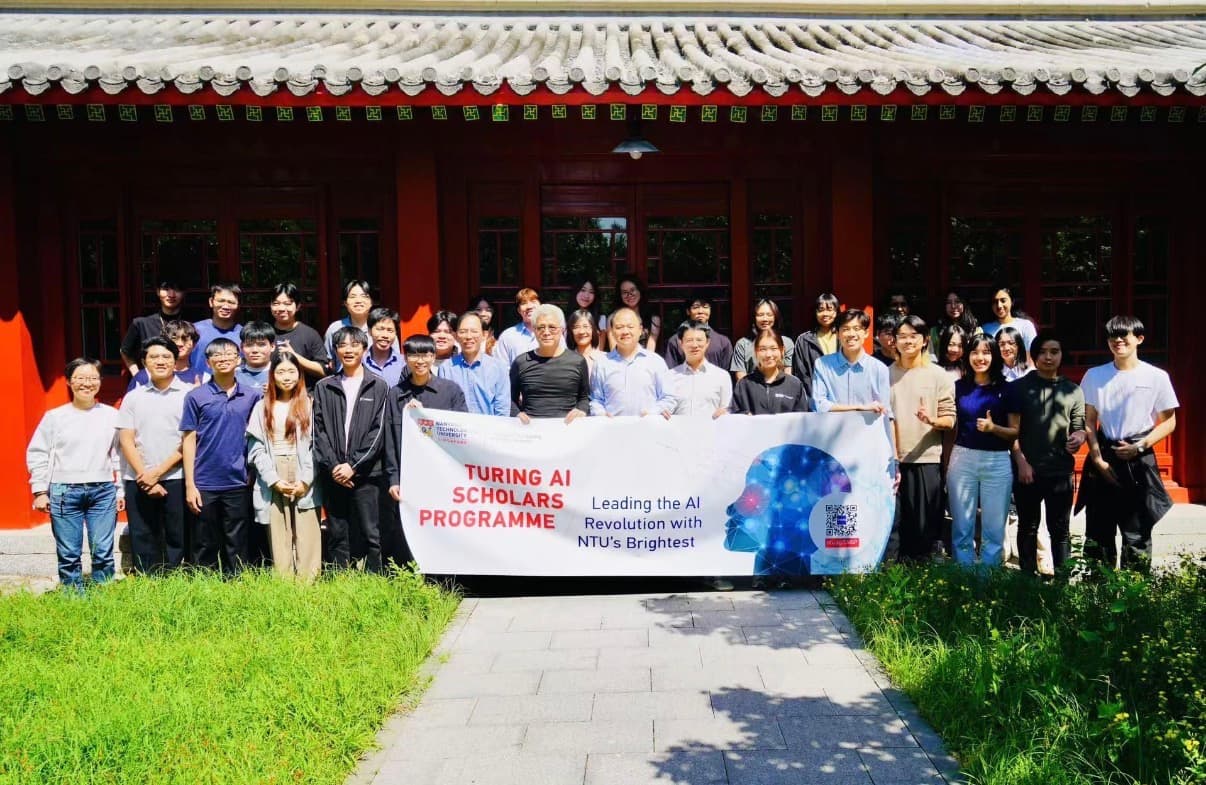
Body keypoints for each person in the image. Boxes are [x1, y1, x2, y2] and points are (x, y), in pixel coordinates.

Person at [1077, 315, 1179, 572]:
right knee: (1098, 532)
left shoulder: (1156, 376)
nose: (1118, 341)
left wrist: (1140, 447)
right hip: (1104, 454)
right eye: (1113, 336)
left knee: (1137, 533)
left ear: (1139, 339)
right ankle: (1097, 595)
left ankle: (1135, 596)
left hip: (1138, 455)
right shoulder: (1094, 375)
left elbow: (1169, 422)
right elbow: (1088, 420)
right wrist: (1098, 458)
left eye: (1124, 335)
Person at [26, 358, 124, 590]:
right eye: (80, 378)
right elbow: (37, 452)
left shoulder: (111, 415)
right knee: (69, 552)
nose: (86, 384)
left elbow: (119, 455)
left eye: (92, 378)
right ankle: (73, 596)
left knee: (102, 549)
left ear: (100, 382)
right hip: (63, 490)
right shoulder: (55, 417)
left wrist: (120, 489)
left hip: (102, 490)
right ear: (69, 382)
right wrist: (40, 490)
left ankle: (104, 592)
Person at [312, 326, 394, 573]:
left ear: (364, 349)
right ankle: (340, 580)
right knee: (338, 531)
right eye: (342, 346)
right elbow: (319, 431)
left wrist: (353, 466)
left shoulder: (379, 386)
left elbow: (378, 432)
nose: (348, 350)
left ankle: (373, 581)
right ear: (335, 350)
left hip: (367, 473)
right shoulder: (324, 386)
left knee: (371, 532)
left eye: (354, 345)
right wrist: (335, 466)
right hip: (334, 472)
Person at [386, 334, 469, 566]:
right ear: (405, 357)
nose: (419, 360)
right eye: (413, 354)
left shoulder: (450, 391)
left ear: (434, 356)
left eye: (425, 354)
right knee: (410, 531)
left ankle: (446, 574)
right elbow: (390, 440)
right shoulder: (396, 394)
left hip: (443, 476)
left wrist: (426, 419)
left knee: (443, 527)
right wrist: (393, 479)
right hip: (409, 476)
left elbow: (462, 433)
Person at [181, 338, 261, 575]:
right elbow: (188, 440)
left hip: (239, 479)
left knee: (237, 539)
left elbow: (258, 438)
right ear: (207, 362)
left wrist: (253, 473)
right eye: (217, 355)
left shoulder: (252, 396)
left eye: (229, 354)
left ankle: (236, 584)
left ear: (239, 359)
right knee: (204, 540)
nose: (223, 358)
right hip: (205, 480)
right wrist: (190, 484)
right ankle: (204, 584)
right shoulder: (196, 397)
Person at [1011, 331, 1086, 577]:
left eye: (1054, 351)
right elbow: (1013, 432)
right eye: (1042, 352)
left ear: (1062, 355)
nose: (1048, 357)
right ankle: (1027, 581)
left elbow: (1079, 427)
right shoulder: (1019, 388)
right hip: (1027, 470)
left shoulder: (1073, 390)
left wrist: (1079, 437)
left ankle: (1063, 585)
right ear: (1033, 356)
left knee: (1060, 530)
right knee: (1028, 526)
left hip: (1060, 470)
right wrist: (1021, 463)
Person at [246, 350, 322, 581]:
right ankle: (284, 582)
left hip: (303, 470)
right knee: (279, 531)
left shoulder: (310, 404)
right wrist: (273, 479)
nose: (287, 376)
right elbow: (256, 447)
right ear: (272, 375)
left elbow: (317, 446)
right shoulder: (262, 407)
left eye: (292, 371)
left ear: (300, 374)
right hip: (274, 470)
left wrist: (306, 480)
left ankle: (308, 583)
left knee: (307, 529)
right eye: (281, 371)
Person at [945, 334, 1018, 568]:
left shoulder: (1007, 389)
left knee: (994, 529)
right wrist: (946, 463)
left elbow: (1014, 432)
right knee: (962, 526)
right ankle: (964, 579)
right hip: (962, 457)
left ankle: (988, 581)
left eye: (986, 352)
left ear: (995, 356)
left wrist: (993, 428)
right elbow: (950, 429)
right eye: (975, 352)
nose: (980, 358)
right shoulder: (958, 388)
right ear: (967, 356)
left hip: (997, 460)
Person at [117, 338, 190, 574]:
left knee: (177, 532)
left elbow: (189, 441)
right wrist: (144, 475)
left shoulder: (188, 395)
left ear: (175, 360)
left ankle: (175, 578)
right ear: (144, 362)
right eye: (154, 357)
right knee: (143, 532)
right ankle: (148, 580)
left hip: (176, 475)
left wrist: (158, 473)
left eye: (166, 356)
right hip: (137, 476)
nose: (160, 361)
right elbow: (126, 439)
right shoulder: (133, 397)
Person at [888, 315, 956, 563]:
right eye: (902, 336)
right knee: (895, 524)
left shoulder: (938, 375)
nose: (907, 341)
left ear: (925, 340)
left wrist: (931, 421)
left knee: (924, 523)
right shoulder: (885, 374)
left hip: (926, 458)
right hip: (892, 460)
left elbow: (950, 420)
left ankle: (923, 573)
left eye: (913, 336)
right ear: (894, 341)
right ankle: (894, 576)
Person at [511, 304, 590, 423]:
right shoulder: (521, 362)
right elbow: (510, 400)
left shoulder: (578, 361)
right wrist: (516, 414)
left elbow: (584, 398)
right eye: (541, 327)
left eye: (552, 327)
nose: (546, 332)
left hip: (568, 430)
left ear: (562, 330)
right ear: (534, 330)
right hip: (531, 431)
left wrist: (582, 410)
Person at [591, 307, 676, 417]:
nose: (625, 331)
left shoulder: (656, 362)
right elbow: (596, 400)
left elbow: (668, 398)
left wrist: (652, 413)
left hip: (648, 428)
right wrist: (601, 414)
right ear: (611, 330)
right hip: (612, 429)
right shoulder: (602, 364)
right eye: (619, 327)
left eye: (630, 327)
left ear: (640, 330)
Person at [810, 310, 893, 422]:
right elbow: (819, 405)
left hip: (867, 435)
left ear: (866, 333)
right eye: (845, 329)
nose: (851, 334)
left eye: (857, 329)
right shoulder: (823, 365)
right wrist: (860, 408)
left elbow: (885, 412)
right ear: (838, 334)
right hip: (832, 435)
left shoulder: (879, 368)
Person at [437, 311, 510, 416]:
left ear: (484, 335)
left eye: (474, 331)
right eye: (463, 331)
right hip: (457, 430)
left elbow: (502, 410)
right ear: (456, 336)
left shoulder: (498, 368)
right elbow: (444, 406)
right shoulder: (446, 368)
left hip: (488, 430)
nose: (468, 336)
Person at [731, 328, 810, 415]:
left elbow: (801, 419)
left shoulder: (795, 385)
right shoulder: (744, 385)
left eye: (773, 348)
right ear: (755, 352)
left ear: (782, 351)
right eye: (763, 349)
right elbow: (736, 416)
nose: (768, 355)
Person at [668, 320, 732, 418]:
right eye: (689, 340)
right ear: (681, 343)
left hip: (711, 432)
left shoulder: (721, 376)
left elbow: (728, 409)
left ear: (707, 343)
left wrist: (725, 413)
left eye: (699, 340)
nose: (694, 345)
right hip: (678, 432)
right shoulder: (670, 377)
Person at [120, 281, 184, 377]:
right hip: (151, 382)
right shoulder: (142, 323)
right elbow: (125, 350)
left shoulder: (193, 323)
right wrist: (137, 374)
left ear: (184, 293)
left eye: (177, 290)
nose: (171, 294)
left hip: (184, 379)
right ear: (158, 292)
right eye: (166, 289)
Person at [125, 319, 209, 392]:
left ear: (194, 344)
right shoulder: (145, 376)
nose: (179, 343)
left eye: (185, 339)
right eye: (174, 339)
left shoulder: (204, 378)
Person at [269, 282, 328, 381]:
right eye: (276, 303)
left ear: (298, 306)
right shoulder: (264, 332)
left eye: (287, 304)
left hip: (303, 394)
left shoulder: (310, 334)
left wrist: (295, 357)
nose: (282, 308)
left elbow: (324, 371)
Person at [663, 293, 734, 371]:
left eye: (705, 307)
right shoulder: (676, 341)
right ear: (688, 311)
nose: (701, 311)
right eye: (696, 307)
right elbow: (671, 373)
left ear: (710, 310)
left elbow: (727, 373)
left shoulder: (723, 342)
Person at [734, 299, 796, 382]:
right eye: (760, 315)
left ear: (775, 317)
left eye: (769, 315)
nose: (765, 319)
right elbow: (741, 380)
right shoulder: (742, 344)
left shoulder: (787, 343)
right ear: (754, 318)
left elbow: (788, 376)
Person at [791, 293, 841, 395]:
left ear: (836, 312)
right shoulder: (804, 340)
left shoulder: (843, 337)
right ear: (815, 312)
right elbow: (801, 373)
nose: (825, 314)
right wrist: (813, 397)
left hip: (841, 395)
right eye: (821, 310)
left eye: (830, 309)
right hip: (814, 397)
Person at [323, 280, 377, 365]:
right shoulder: (335, 328)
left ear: (371, 302)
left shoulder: (382, 329)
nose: (358, 301)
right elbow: (329, 362)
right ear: (345, 303)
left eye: (364, 296)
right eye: (353, 296)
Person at [189, 284, 243, 367]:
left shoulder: (243, 335)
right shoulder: (194, 330)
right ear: (211, 302)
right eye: (221, 301)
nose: (225, 306)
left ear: (238, 305)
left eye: (231, 302)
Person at [494, 287, 549, 368]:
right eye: (523, 303)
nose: (529, 306)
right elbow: (500, 369)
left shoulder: (553, 333)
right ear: (519, 310)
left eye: (533, 301)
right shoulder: (507, 336)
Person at [980, 285, 1037, 351]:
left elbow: (1032, 354)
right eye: (995, 302)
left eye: (1003, 301)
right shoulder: (986, 328)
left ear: (1012, 301)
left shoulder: (1025, 326)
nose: (999, 305)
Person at [614, 274, 661, 352]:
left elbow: (650, 351)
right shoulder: (613, 318)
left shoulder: (653, 319)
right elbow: (614, 349)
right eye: (625, 292)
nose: (629, 295)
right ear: (620, 295)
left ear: (640, 290)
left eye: (632, 290)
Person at [363, 307, 406, 388]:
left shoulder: (404, 363)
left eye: (390, 330)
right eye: (380, 329)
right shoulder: (360, 362)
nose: (385, 335)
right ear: (369, 331)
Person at [234, 321, 275, 393]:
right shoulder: (233, 375)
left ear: (272, 347)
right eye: (249, 345)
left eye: (261, 345)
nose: (255, 350)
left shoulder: (280, 373)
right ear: (241, 347)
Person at [571, 277, 608, 352]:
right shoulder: (566, 318)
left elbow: (599, 351)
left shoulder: (601, 319)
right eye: (583, 290)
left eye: (591, 292)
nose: (586, 296)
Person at [568, 308, 605, 376]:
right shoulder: (566, 360)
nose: (581, 331)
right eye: (576, 327)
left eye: (586, 326)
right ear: (571, 331)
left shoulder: (605, 359)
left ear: (593, 330)